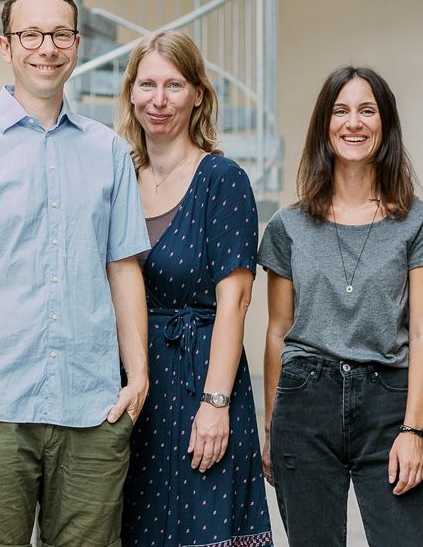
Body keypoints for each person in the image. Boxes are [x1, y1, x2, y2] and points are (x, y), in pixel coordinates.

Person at [0, 0, 150, 547]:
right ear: (5, 46)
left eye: (60, 33)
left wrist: (138, 375)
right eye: (31, 34)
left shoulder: (110, 151)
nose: (47, 46)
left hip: (93, 406)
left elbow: (123, 267)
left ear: (76, 44)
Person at [258, 66, 423, 546]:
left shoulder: (418, 224)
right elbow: (278, 331)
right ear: (325, 124)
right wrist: (271, 426)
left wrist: (414, 430)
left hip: (388, 401)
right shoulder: (288, 226)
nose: (354, 123)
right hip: (305, 403)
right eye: (341, 111)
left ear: (385, 125)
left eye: (367, 111)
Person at [115, 29, 273, 547]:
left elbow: (237, 300)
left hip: (202, 377)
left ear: (198, 94)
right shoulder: (118, 178)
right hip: (133, 383)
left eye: (174, 85)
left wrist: (216, 402)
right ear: (131, 93)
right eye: (147, 85)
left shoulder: (222, 179)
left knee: (204, 529)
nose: (159, 101)